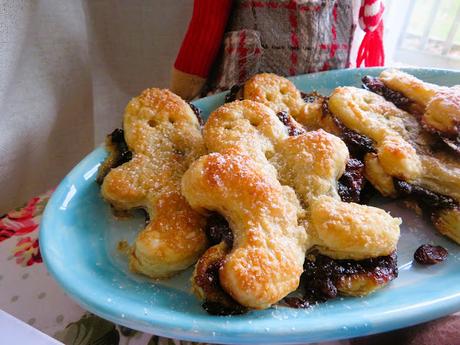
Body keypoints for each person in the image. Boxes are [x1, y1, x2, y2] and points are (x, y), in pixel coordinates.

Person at [171, 0, 384, 100]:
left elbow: (370, 21)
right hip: (245, 91)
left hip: (325, 91)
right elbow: (208, 22)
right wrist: (185, 89)